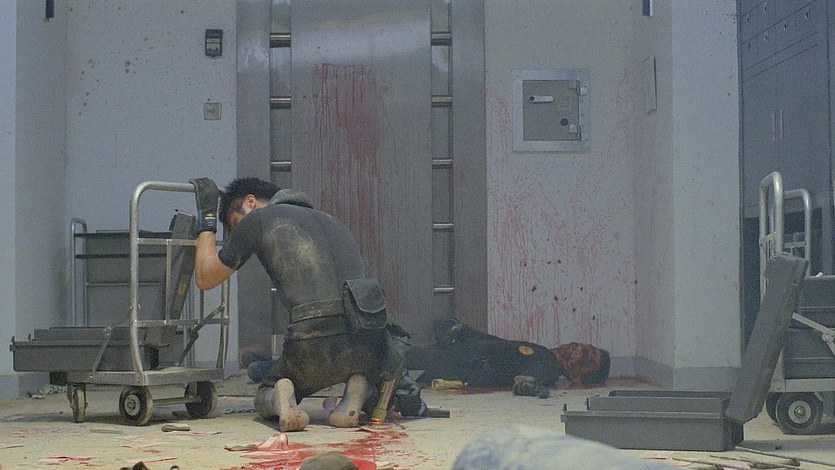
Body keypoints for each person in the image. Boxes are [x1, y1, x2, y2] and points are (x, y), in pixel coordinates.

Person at [190, 176, 403, 432]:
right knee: (365, 378)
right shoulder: (333, 222)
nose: (238, 232)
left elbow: (205, 278)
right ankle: (355, 392)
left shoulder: (257, 220)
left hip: (312, 337)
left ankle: (283, 397)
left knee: (268, 389)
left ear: (250, 202)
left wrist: (207, 219)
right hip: (364, 338)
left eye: (236, 224)